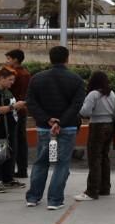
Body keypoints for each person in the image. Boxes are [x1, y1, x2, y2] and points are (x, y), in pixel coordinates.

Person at [25, 45, 86, 210]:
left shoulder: (37, 78)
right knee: (61, 164)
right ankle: (54, 200)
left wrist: (47, 120)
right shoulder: (76, 80)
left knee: (41, 162)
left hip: (44, 128)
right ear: (67, 59)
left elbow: (31, 102)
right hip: (67, 128)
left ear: (50, 59)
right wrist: (61, 122)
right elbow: (77, 105)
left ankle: (33, 197)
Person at [76, 71, 115, 201]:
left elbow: (85, 112)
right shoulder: (112, 94)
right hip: (109, 126)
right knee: (104, 157)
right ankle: (105, 187)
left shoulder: (93, 94)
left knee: (94, 158)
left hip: (97, 126)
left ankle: (92, 191)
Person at [1, 50, 32, 179]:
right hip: (23, 109)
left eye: (9, 58)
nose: (6, 61)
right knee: (21, 140)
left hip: (13, 109)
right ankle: (22, 169)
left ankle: (10, 170)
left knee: (13, 140)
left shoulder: (14, 74)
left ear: (15, 59)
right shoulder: (27, 73)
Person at [0, 66, 20, 191]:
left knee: (7, 154)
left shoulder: (6, 91)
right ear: (1, 78)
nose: (12, 82)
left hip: (9, 128)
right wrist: (13, 107)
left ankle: (7, 178)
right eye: (10, 79)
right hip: (0, 129)